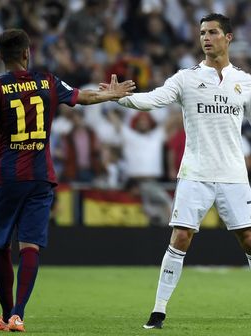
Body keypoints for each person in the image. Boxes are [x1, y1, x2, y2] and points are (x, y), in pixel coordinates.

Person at [0, 28, 135, 332]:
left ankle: (4, 316)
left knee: (1, 247)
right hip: (41, 178)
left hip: (6, 177)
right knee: (30, 247)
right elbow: (83, 96)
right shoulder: (48, 82)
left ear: (1, 56)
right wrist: (110, 95)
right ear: (28, 53)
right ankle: (18, 314)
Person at [101, 13, 251, 329]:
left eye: (212, 32)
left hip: (234, 174)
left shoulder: (244, 81)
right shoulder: (185, 78)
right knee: (181, 236)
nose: (206, 38)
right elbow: (153, 100)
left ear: (228, 38)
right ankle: (158, 311)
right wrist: (121, 99)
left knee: (249, 239)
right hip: (195, 173)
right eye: (202, 33)